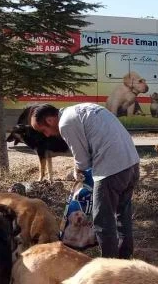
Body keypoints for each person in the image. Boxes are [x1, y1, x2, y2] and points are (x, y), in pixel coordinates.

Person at [30, 103, 140, 259]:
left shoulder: (66, 123)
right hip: (131, 164)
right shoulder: (83, 108)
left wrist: (76, 172)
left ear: (49, 120)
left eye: (43, 130)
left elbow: (82, 161)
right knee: (122, 216)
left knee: (102, 221)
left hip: (111, 169)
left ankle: (109, 267)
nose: (46, 135)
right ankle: (125, 261)